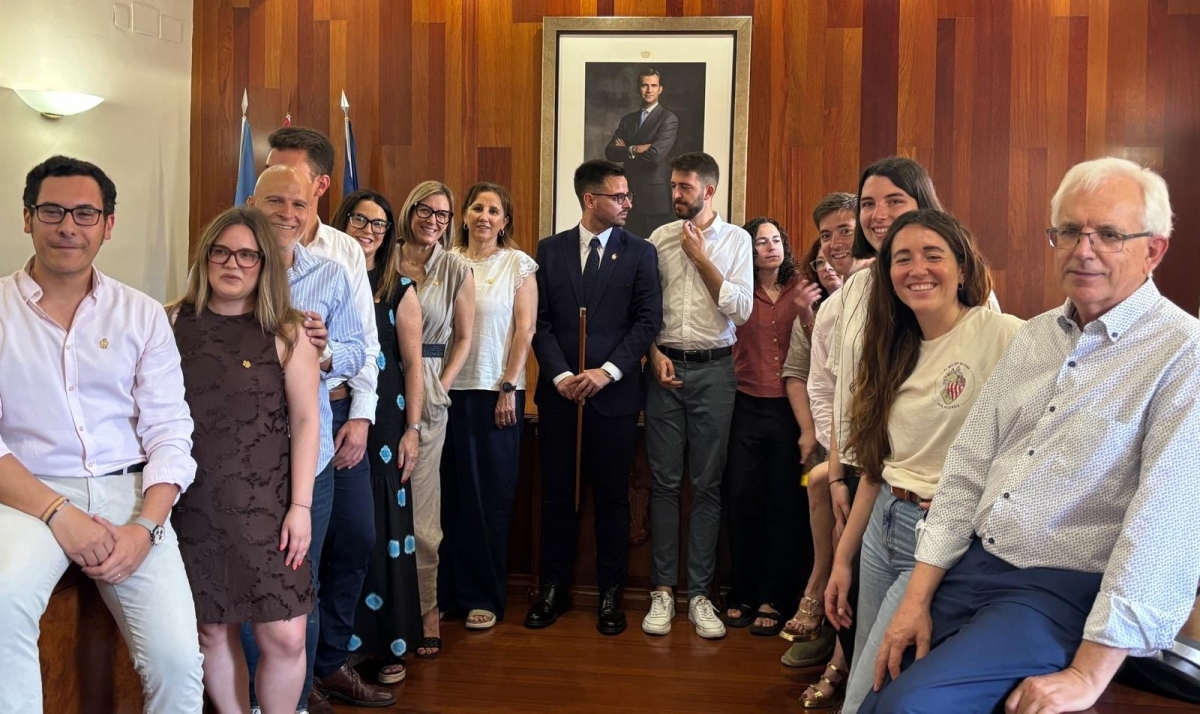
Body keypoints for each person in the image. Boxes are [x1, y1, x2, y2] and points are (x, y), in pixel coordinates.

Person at [862, 158, 1200, 714]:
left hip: (1058, 589)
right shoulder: (1037, 335)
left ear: (1154, 251)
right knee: (876, 695)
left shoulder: (1182, 353)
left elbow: (1165, 528)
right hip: (974, 565)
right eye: (1069, 231)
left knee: (909, 706)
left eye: (1109, 234)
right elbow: (968, 468)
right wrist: (915, 599)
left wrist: (1087, 675)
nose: (1083, 250)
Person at [0, 155, 204, 712]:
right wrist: (58, 513)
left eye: (85, 213)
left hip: (131, 495)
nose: (68, 226)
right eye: (52, 211)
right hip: (28, 495)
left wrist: (146, 527)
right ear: (27, 217)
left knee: (178, 663)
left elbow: (169, 431)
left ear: (107, 224)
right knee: (2, 605)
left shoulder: (141, 314)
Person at [828, 210, 1022, 714]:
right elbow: (878, 466)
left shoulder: (1002, 334)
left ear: (962, 266)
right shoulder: (890, 345)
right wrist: (842, 560)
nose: (917, 269)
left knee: (868, 691)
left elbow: (1040, 439)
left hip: (939, 536)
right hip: (882, 526)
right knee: (865, 669)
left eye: (933, 255)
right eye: (902, 259)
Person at [171, 207, 321, 714]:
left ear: (264, 264)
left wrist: (300, 507)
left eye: (246, 255)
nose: (231, 264)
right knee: (212, 629)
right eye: (220, 252)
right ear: (205, 257)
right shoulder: (171, 322)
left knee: (286, 635)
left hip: (271, 506)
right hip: (194, 503)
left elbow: (306, 421)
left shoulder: (289, 331)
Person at [260, 127, 386, 712]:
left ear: (318, 187)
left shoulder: (340, 256)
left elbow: (363, 347)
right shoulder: (236, 249)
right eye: (273, 184)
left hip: (330, 411)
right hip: (253, 428)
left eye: (297, 186)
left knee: (347, 539)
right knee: (275, 557)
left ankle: (321, 665)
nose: (286, 201)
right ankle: (282, 685)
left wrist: (358, 413)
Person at [525, 159, 663, 635]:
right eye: (618, 196)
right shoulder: (551, 250)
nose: (627, 203)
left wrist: (606, 372)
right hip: (561, 396)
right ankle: (553, 588)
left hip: (615, 397)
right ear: (590, 199)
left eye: (627, 195)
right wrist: (561, 375)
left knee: (612, 498)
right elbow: (539, 322)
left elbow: (647, 321)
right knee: (558, 495)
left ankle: (610, 593)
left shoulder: (640, 252)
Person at [642, 151, 753, 640]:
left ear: (708, 191)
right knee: (664, 483)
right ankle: (663, 591)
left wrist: (701, 258)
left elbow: (741, 311)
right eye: (673, 185)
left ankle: (701, 595)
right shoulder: (658, 239)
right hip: (664, 369)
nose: (675, 194)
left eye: (684, 187)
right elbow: (644, 309)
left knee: (707, 485)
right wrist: (651, 353)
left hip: (715, 371)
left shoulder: (737, 240)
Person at [331, 190, 424, 686]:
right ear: (342, 222)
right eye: (360, 220)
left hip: (386, 422)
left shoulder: (399, 289)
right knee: (344, 533)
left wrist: (413, 430)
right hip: (332, 416)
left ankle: (388, 642)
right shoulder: (324, 278)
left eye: (379, 224)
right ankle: (336, 649)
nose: (369, 231)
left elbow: (413, 366)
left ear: (389, 235)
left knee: (383, 530)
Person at [438, 182, 537, 629]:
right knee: (448, 499)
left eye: (494, 211)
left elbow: (525, 330)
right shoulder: (444, 261)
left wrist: (508, 385)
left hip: (495, 393)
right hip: (444, 392)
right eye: (477, 208)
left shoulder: (518, 264)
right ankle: (445, 594)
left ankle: (484, 596)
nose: (484, 216)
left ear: (505, 221)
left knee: (487, 500)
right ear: (463, 215)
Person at [721, 217, 819, 637]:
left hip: (792, 409)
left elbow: (824, 346)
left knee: (785, 504)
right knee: (743, 502)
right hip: (744, 405)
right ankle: (742, 591)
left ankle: (776, 597)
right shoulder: (738, 291)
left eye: (776, 240)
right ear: (748, 249)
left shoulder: (804, 287)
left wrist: (807, 312)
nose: (770, 247)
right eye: (761, 242)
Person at [395, 180, 476, 658]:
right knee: (380, 508)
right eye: (425, 210)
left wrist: (441, 383)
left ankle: (428, 610)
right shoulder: (385, 257)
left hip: (428, 385)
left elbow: (463, 337)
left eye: (443, 214)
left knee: (423, 511)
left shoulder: (456, 268)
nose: (433, 220)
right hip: (381, 381)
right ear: (410, 211)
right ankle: (383, 616)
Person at [604, 67, 679, 238]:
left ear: (660, 89)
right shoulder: (627, 120)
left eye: (653, 85)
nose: (649, 90)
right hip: (629, 194)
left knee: (656, 248)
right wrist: (635, 148)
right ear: (638, 88)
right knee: (631, 246)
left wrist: (626, 150)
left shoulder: (668, 119)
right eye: (645, 85)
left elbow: (655, 156)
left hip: (655, 198)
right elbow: (610, 151)